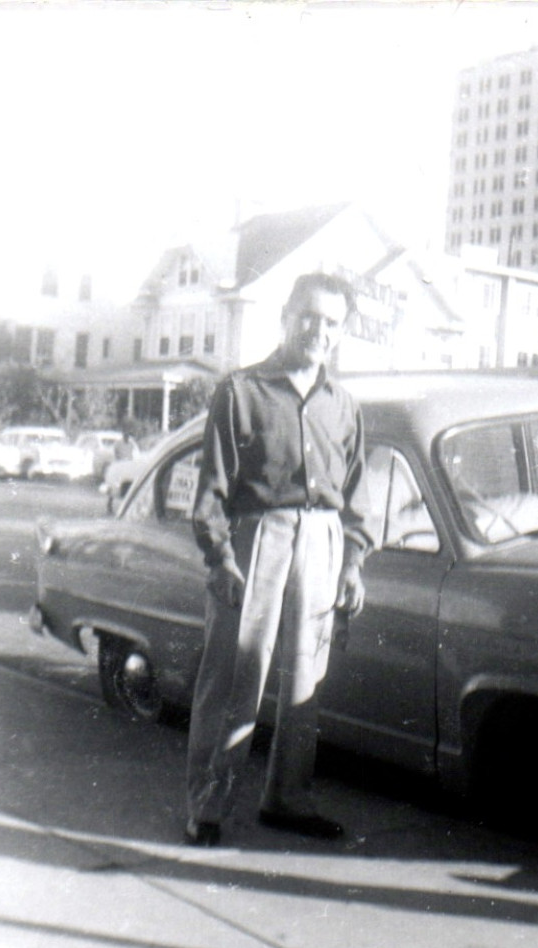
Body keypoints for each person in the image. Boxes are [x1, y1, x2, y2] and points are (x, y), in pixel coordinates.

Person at [183, 272, 373, 847]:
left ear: (341, 333)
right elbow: (212, 490)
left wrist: (353, 563)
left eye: (331, 322)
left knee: (303, 681)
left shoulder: (344, 405)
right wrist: (221, 559)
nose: (318, 330)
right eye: (308, 316)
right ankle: (208, 807)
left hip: (321, 542)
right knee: (234, 678)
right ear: (286, 316)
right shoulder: (241, 391)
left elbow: (357, 493)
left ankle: (288, 799)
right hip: (256, 540)